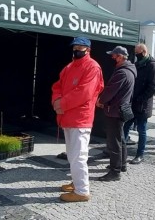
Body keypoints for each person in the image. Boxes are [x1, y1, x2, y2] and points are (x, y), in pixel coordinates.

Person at [52, 37, 104, 202]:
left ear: (88, 49)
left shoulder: (93, 67)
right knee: (72, 155)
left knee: (78, 156)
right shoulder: (69, 66)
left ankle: (82, 191)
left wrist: (62, 104)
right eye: (75, 47)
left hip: (80, 118)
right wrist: (56, 101)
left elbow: (84, 92)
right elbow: (57, 86)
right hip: (67, 116)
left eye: (80, 47)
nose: (77, 50)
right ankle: (76, 183)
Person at [96, 46, 136, 181]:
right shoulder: (130, 70)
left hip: (115, 110)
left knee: (114, 142)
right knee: (121, 139)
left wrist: (101, 100)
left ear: (120, 56)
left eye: (114, 55)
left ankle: (115, 171)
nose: (112, 58)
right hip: (122, 109)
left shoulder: (122, 72)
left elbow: (110, 91)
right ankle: (122, 165)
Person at [126, 44, 155, 165]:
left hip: (143, 105)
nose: (136, 55)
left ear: (144, 52)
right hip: (132, 103)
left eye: (137, 53)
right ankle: (121, 152)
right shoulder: (137, 64)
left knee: (142, 130)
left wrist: (141, 98)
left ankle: (140, 154)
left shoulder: (152, 65)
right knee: (125, 127)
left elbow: (153, 87)